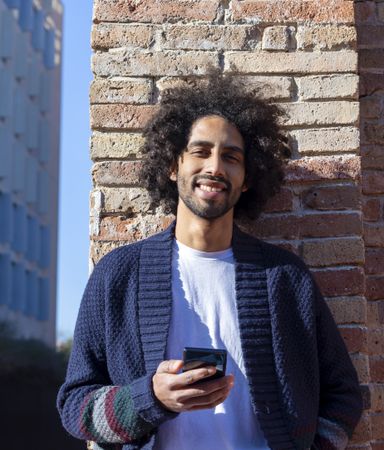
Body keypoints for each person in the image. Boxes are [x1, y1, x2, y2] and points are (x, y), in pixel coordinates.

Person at [57, 74, 363, 450]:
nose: (215, 167)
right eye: (201, 152)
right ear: (173, 165)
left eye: (231, 157)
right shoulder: (119, 275)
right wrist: (150, 399)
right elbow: (75, 408)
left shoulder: (283, 278)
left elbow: (344, 394)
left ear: (247, 178)